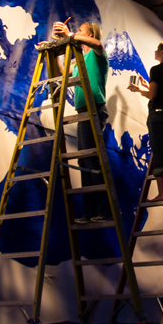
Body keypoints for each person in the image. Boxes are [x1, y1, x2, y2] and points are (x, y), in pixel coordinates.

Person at [51, 20, 111, 223]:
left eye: (80, 31)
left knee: (91, 159)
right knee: (84, 160)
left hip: (95, 109)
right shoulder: (78, 61)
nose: (76, 33)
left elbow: (98, 44)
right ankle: (89, 212)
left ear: (90, 34)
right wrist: (57, 49)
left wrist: (69, 36)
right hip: (83, 110)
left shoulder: (96, 54)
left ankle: (104, 210)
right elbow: (62, 73)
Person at [128, 41, 163, 201]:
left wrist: (139, 89)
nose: (155, 52)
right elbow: (162, 93)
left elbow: (153, 96)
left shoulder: (156, 69)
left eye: (158, 50)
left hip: (158, 114)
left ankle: (162, 193)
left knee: (158, 153)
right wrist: (147, 86)